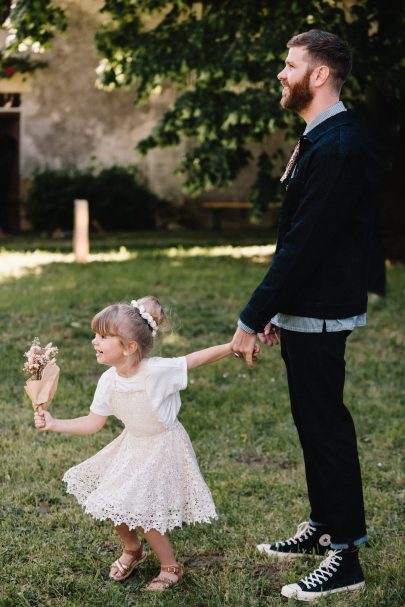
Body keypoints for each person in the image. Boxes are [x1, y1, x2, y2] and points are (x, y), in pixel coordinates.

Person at [231, 30, 377, 601]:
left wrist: (252, 316)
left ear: (319, 75)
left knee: (326, 429)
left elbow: (304, 245)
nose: (281, 73)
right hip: (305, 308)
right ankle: (323, 525)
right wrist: (278, 310)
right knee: (312, 425)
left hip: (321, 311)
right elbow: (300, 235)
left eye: (290, 65)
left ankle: (346, 557)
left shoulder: (338, 144)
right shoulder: (322, 136)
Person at [34, 296, 234, 591]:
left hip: (163, 446)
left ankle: (170, 566)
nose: (94, 341)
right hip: (134, 445)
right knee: (113, 500)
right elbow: (92, 423)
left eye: (103, 336)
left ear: (129, 347)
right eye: (95, 334)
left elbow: (195, 359)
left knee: (145, 511)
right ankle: (133, 549)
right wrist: (54, 423)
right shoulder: (108, 381)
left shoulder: (158, 372)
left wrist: (233, 346)